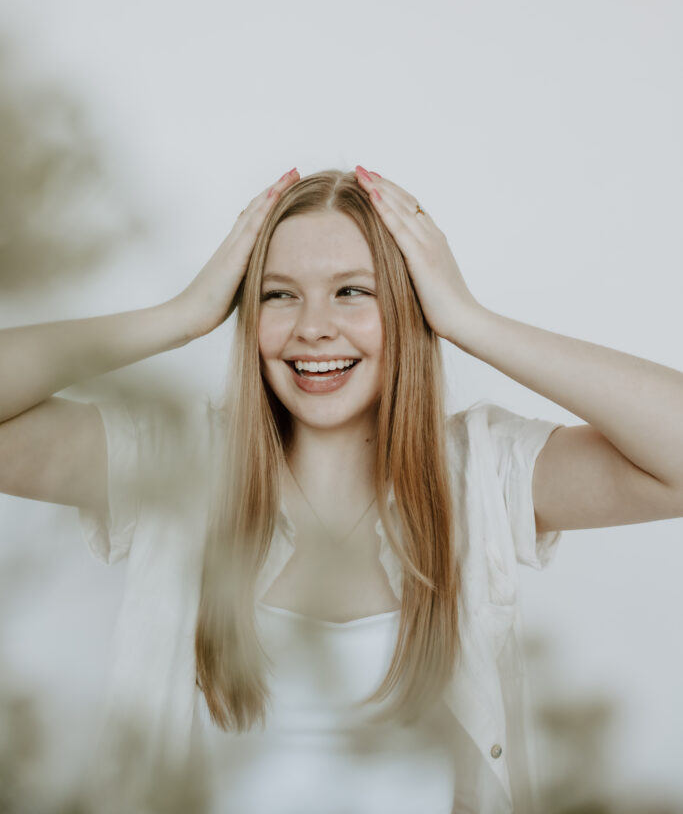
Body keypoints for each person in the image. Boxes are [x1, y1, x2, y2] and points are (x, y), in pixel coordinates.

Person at [1, 166, 682, 814]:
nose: (312, 326)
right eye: (279, 293)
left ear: (410, 305)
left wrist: (468, 320)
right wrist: (180, 315)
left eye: (352, 291)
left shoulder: (482, 471)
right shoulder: (174, 465)